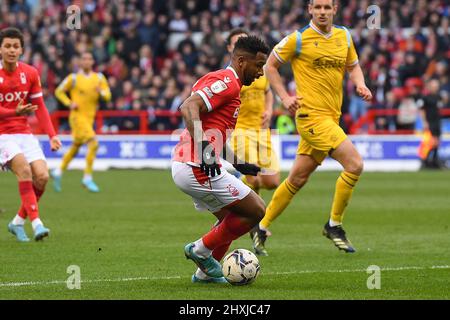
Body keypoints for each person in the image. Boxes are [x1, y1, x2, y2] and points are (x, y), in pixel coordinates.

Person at [261, 0, 373, 254]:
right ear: (310, 9)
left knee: (297, 178)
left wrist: (360, 83)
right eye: (318, 7)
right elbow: (270, 66)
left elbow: (353, 66)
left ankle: (262, 224)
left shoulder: (344, 36)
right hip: (311, 117)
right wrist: (285, 97)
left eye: (327, 7)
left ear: (335, 9)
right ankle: (334, 224)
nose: (322, 12)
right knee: (355, 164)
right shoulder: (297, 39)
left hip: (331, 117)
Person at [172, 35, 269, 283]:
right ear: (240, 61)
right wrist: (205, 151)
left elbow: (213, 130)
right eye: (258, 65)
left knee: (230, 221)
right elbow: (188, 107)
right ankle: (199, 251)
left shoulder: (227, 84)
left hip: (190, 163)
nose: (260, 73)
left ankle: (204, 275)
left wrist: (236, 162)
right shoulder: (228, 82)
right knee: (256, 210)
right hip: (196, 166)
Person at [0, 27, 62, 242]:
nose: (11, 50)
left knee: (43, 177)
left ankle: (17, 222)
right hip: (2, 135)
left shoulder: (30, 73)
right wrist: (13, 111)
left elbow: (40, 107)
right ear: (0, 49)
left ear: (21, 50)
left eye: (15, 46)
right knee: (24, 171)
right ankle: (37, 223)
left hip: (24, 133)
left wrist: (52, 135)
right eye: (7, 46)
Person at [226, 28, 280, 256]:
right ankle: (253, 224)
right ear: (232, 49)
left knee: (271, 181)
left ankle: (250, 212)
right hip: (240, 132)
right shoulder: (230, 77)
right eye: (238, 42)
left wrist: (269, 110)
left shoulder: (260, 71)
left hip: (262, 131)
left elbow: (268, 92)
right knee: (252, 177)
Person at [51, 52, 111, 193]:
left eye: (89, 59)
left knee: (76, 147)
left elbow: (108, 96)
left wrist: (100, 93)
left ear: (93, 62)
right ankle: (87, 177)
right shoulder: (73, 78)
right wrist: (69, 103)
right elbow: (59, 91)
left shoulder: (99, 78)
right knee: (94, 143)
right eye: (83, 59)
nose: (86, 61)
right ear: (80, 62)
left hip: (89, 119)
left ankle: (58, 171)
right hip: (77, 118)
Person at [418, 79, 444, 169]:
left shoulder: (438, 97)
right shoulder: (425, 97)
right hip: (430, 122)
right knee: (430, 142)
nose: (436, 88)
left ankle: (434, 160)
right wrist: (424, 122)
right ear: (430, 87)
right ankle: (425, 161)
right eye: (434, 86)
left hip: (437, 121)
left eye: (437, 86)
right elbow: (421, 110)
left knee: (437, 141)